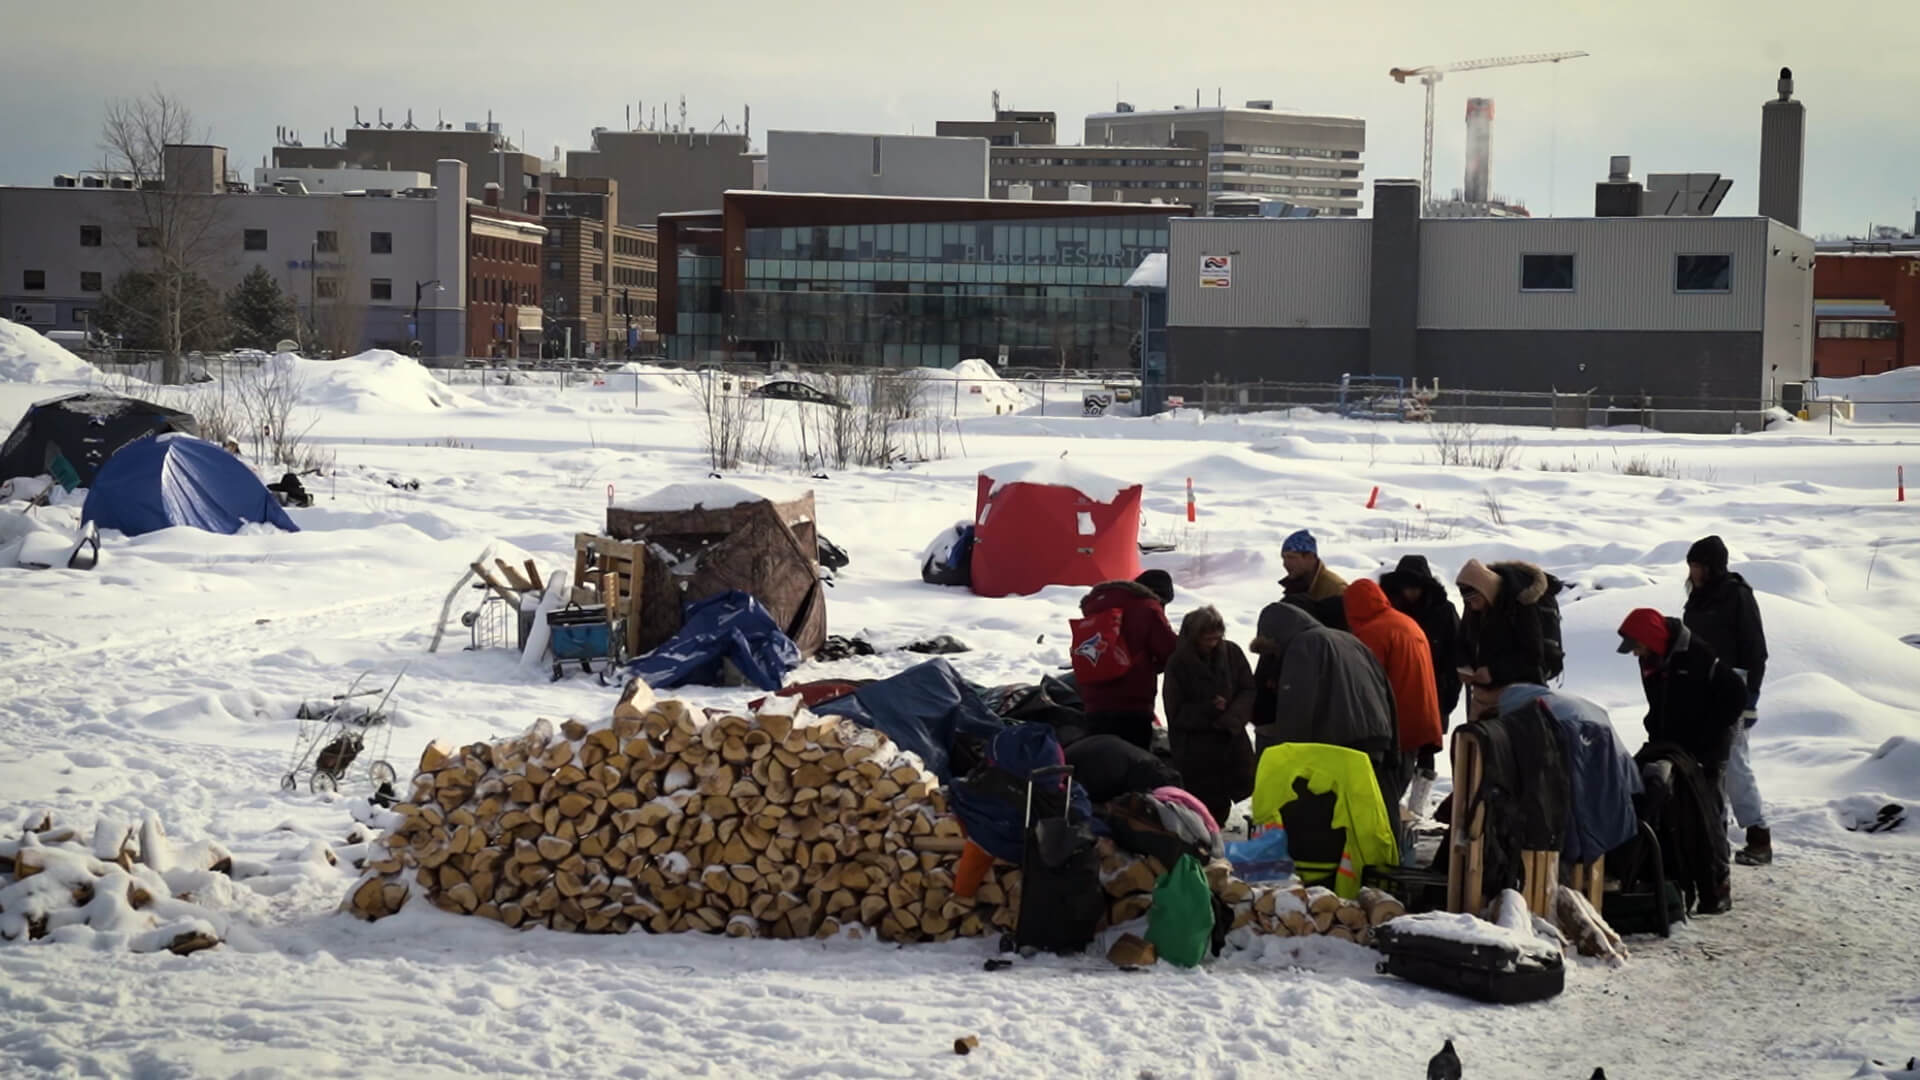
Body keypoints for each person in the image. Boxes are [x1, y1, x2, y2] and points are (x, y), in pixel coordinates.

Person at [1617, 607, 1747, 913]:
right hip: (1673, 745)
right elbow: (1662, 701)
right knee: (1675, 810)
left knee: (1708, 814)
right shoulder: (1652, 660)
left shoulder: (1696, 656)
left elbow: (1735, 697)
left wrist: (1707, 739)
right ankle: (1676, 876)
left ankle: (1717, 885)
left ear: (1651, 638)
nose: (1635, 654)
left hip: (1707, 749)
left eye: (1637, 645)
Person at [1248, 601, 1405, 812]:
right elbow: (1386, 690)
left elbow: (1297, 708)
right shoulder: (1349, 640)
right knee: (1366, 815)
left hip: (1339, 745)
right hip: (1376, 740)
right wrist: (1394, 750)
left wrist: (1286, 763)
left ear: (1275, 636)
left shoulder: (1302, 645)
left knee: (1332, 819)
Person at [1682, 535, 1773, 867]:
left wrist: (1751, 698)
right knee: (1706, 767)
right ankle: (1712, 837)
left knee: (1735, 765)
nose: (1693, 572)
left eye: (1698, 566)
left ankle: (1759, 837)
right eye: (1690, 566)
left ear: (1713, 566)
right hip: (1700, 690)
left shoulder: (1737, 596)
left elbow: (1756, 650)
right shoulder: (1696, 599)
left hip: (1733, 689)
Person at [1344, 579, 1444, 817]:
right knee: (1392, 792)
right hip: (1418, 721)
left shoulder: (1373, 633)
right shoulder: (1405, 622)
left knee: (1381, 802)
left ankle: (1383, 850)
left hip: (1392, 728)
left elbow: (1366, 687)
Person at [1161, 606, 1257, 825]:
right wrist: (1210, 709)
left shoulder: (1232, 653)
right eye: (1207, 640)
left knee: (1235, 787)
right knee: (1204, 804)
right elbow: (1175, 712)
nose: (1212, 644)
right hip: (1196, 748)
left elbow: (1248, 689)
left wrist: (1232, 716)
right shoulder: (1178, 663)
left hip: (1231, 739)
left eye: (1216, 638)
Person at [1075, 569, 1179, 751]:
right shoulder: (1147, 607)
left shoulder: (1096, 606)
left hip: (1094, 702)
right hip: (1132, 703)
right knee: (1131, 765)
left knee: (1099, 761)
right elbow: (1170, 651)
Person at [1455, 559, 1560, 693]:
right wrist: (1464, 664)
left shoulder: (1520, 606)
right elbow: (1462, 640)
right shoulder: (1474, 608)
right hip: (1483, 692)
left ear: (1485, 590)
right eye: (1467, 601)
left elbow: (1532, 656)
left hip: (1519, 693)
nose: (1472, 605)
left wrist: (1493, 672)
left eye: (1475, 600)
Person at [1279, 529, 1349, 631]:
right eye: (1284, 558)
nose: (1285, 564)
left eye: (1291, 557)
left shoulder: (1335, 588)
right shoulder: (1295, 587)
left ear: (1310, 557)